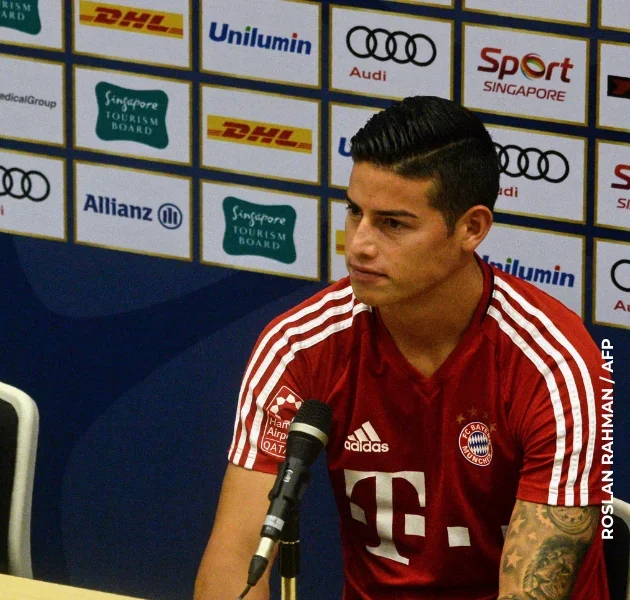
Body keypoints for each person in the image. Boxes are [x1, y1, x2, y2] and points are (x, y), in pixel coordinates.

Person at [195, 96, 608, 599]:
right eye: (355, 212)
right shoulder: (300, 348)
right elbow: (236, 562)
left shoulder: (554, 363)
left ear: (471, 229)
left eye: (394, 224)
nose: (359, 245)